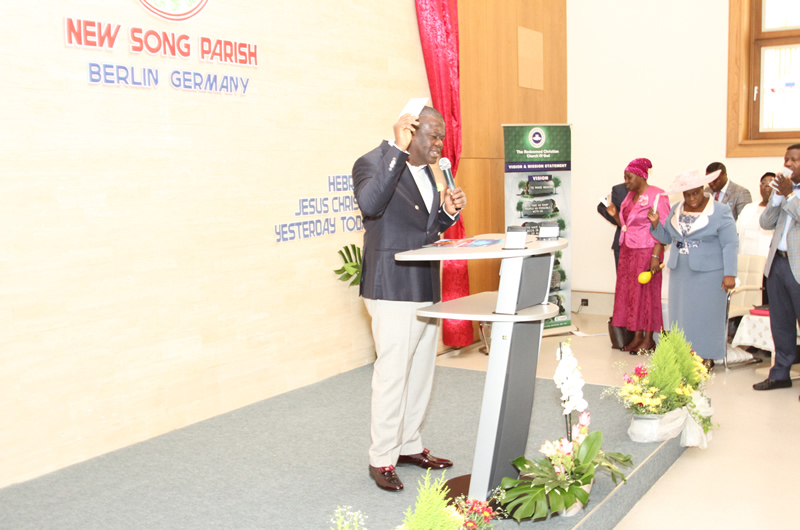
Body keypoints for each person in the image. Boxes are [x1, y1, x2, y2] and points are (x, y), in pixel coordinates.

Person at [352, 106, 467, 491]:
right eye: (433, 135)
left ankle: (409, 445)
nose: (439, 144)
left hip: (424, 285)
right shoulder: (372, 162)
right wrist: (397, 152)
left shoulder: (427, 174)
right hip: (392, 286)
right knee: (393, 375)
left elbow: (424, 231)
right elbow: (371, 205)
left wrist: (446, 213)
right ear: (410, 130)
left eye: (442, 137)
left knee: (420, 373)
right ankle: (381, 457)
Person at [648, 169, 738, 369]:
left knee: (706, 314)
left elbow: (730, 244)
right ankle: (684, 353)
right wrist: (655, 225)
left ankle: (705, 356)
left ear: (702, 189)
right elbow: (666, 238)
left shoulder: (720, 211)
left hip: (709, 272)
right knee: (681, 316)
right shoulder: (676, 209)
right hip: (680, 271)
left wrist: (730, 274)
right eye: (687, 194)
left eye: (695, 193)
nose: (691, 198)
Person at [606, 158, 670, 353]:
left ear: (641, 176)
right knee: (631, 295)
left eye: (629, 178)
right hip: (628, 251)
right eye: (625, 177)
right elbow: (626, 225)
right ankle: (637, 335)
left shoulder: (657, 196)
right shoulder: (629, 197)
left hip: (647, 251)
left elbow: (663, 228)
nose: (626, 182)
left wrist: (656, 257)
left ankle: (649, 339)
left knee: (647, 294)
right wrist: (615, 215)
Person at [753, 144, 800, 395]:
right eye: (786, 159)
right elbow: (765, 222)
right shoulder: (783, 192)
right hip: (777, 264)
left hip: (798, 267)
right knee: (780, 323)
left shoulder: (791, 193)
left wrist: (790, 196)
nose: (788, 164)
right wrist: (778, 198)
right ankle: (780, 374)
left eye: (794, 160)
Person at [737, 172, 775, 305]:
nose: (767, 186)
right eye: (764, 183)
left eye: (771, 183)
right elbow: (737, 231)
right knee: (744, 302)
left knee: (764, 302)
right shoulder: (749, 208)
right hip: (746, 265)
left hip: (767, 267)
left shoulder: (780, 210)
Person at [597, 182, 628, 268]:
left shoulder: (650, 192)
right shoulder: (620, 190)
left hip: (644, 247)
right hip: (622, 246)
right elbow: (601, 207)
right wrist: (617, 219)